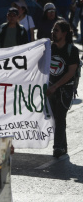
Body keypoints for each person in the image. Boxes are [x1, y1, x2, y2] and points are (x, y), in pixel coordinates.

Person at [46, 20, 79, 158]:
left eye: (56, 30)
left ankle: (58, 147)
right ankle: (63, 146)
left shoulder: (72, 50)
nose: (53, 32)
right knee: (55, 118)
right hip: (51, 89)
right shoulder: (49, 48)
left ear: (64, 33)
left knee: (60, 116)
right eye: (53, 30)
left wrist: (55, 86)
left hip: (65, 89)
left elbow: (71, 72)